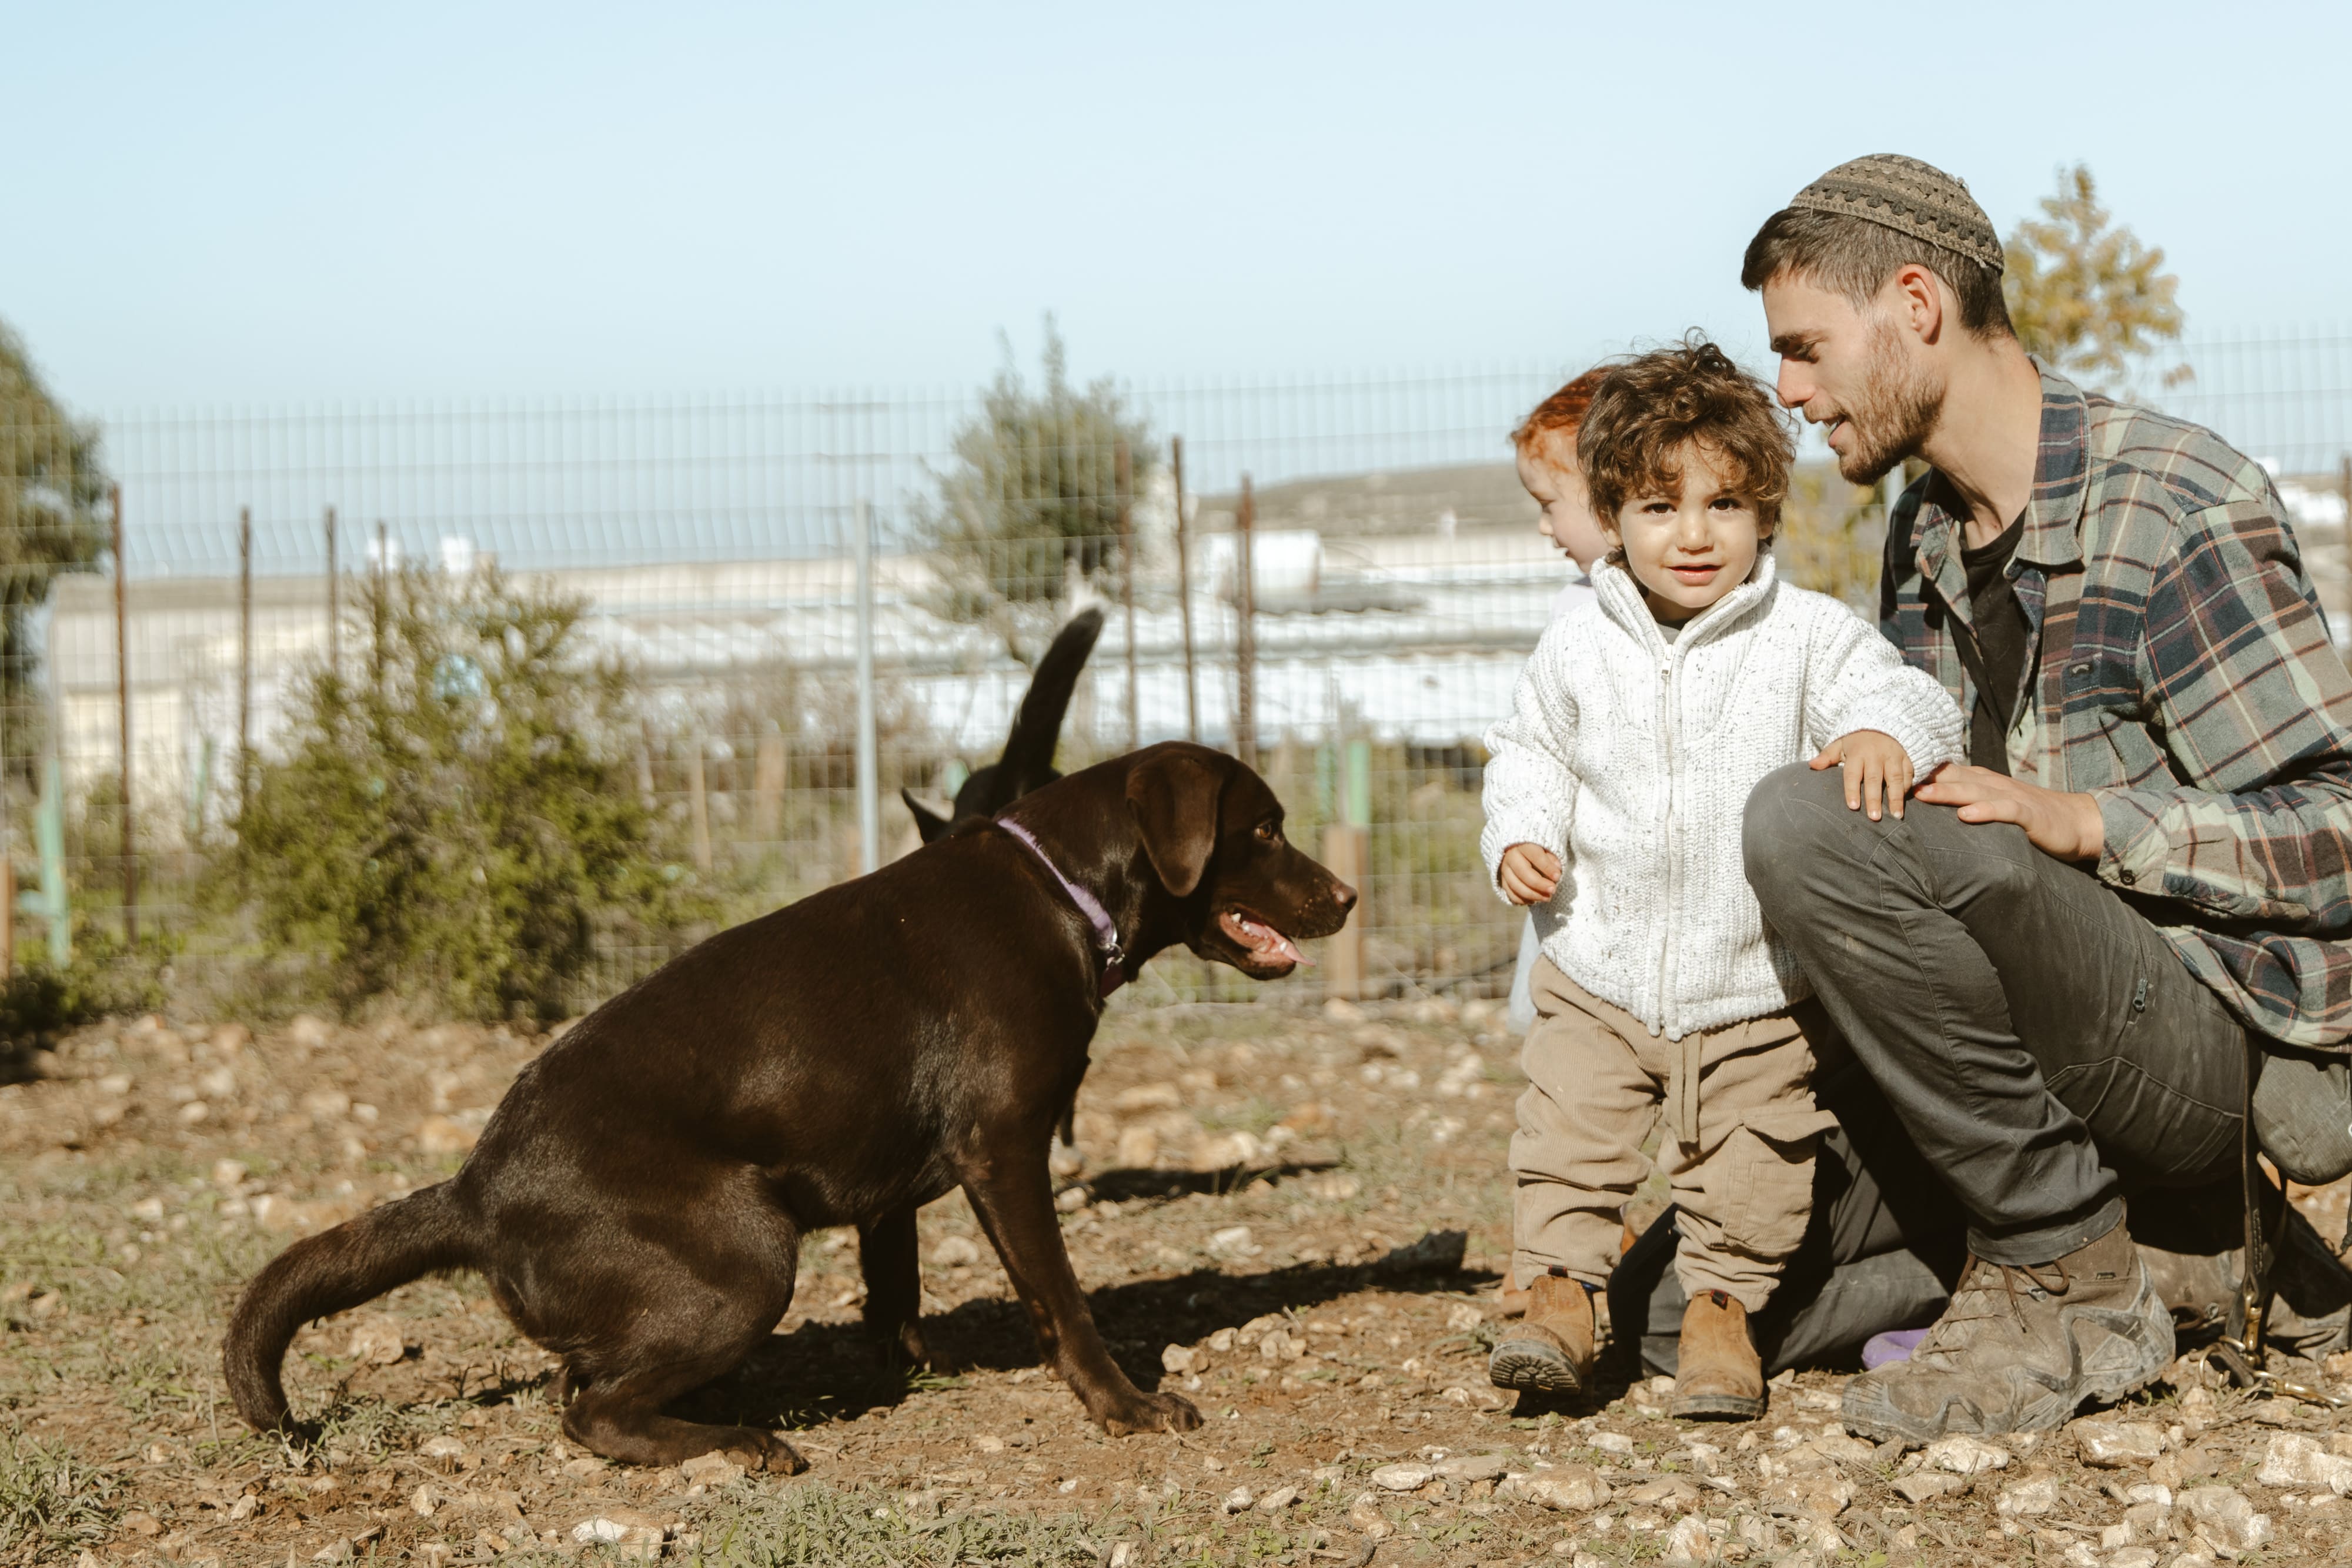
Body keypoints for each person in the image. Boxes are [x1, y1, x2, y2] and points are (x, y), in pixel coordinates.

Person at [1734, 154, 2352, 1443]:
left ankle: (2065, 1264)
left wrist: (2090, 821)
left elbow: (2341, 825)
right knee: (1703, 1305)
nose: (1786, 391)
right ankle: (2193, 1253)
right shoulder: (1921, 532)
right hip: (2034, 1047)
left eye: (1802, 348)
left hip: (2202, 1049)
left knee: (1797, 824)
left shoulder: (2174, 502)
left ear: (1913, 303)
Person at [1479, 336, 1963, 1419]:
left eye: (1724, 505)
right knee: (1566, 1137)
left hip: (1755, 987)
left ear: (1766, 511)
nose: (1694, 534)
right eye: (1659, 508)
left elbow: (1918, 700)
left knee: (1753, 1169)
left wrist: (1885, 727)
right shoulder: (1576, 645)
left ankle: (1720, 1325)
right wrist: (1520, 828)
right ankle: (1557, 1303)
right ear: (1614, 516)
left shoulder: (1808, 638)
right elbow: (1529, 750)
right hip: (1598, 965)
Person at [1504, 370, 1609, 1041]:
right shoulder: (1575, 610)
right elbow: (1535, 742)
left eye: (1550, 502)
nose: (1545, 526)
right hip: (1576, 874)